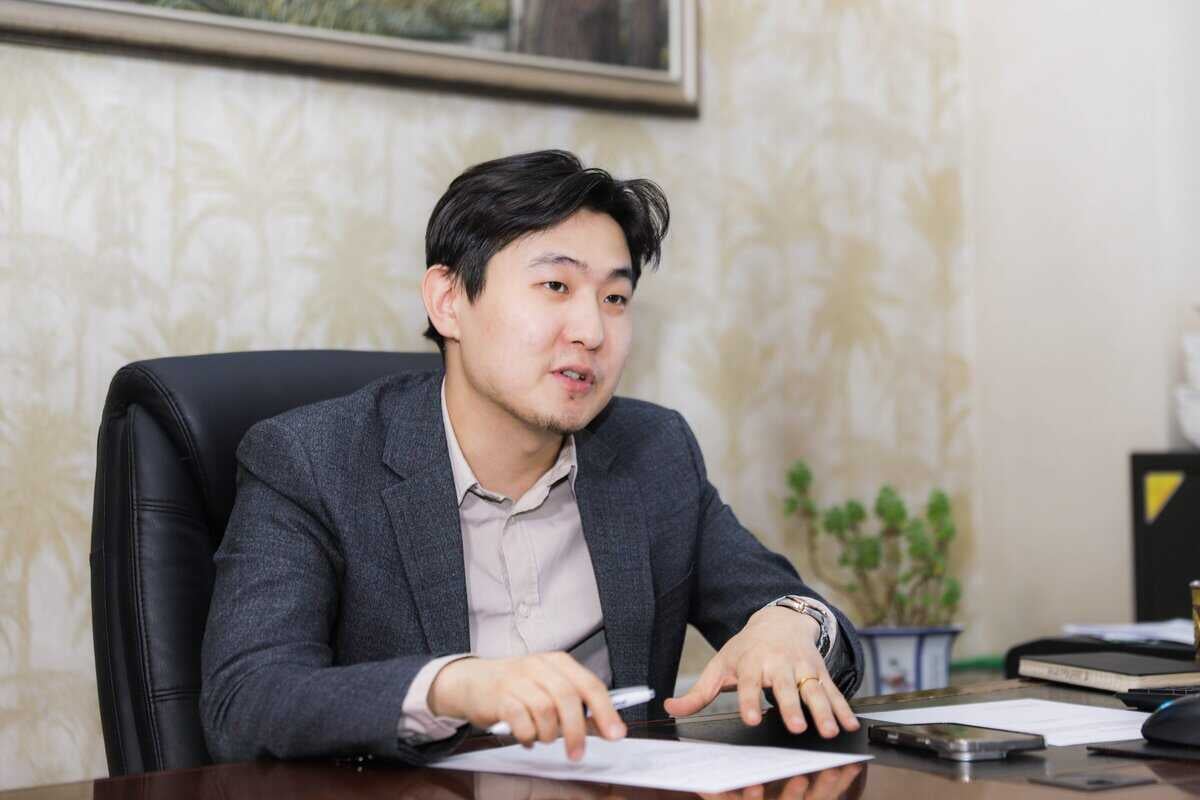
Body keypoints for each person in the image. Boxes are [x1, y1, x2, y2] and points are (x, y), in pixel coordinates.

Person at [200, 150, 863, 767]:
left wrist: (793, 624)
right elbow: (245, 700)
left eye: (615, 298)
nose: (591, 330)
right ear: (449, 300)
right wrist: (454, 685)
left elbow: (793, 613)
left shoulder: (652, 455)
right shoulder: (312, 461)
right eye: (554, 286)